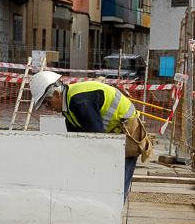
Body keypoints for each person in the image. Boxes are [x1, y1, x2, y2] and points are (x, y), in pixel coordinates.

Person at [30, 71, 153, 200]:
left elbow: (97, 139)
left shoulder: (79, 102)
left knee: (117, 182)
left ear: (56, 94)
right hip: (114, 131)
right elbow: (77, 142)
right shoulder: (68, 109)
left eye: (47, 103)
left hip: (128, 130)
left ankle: (113, 214)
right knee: (107, 179)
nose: (48, 108)